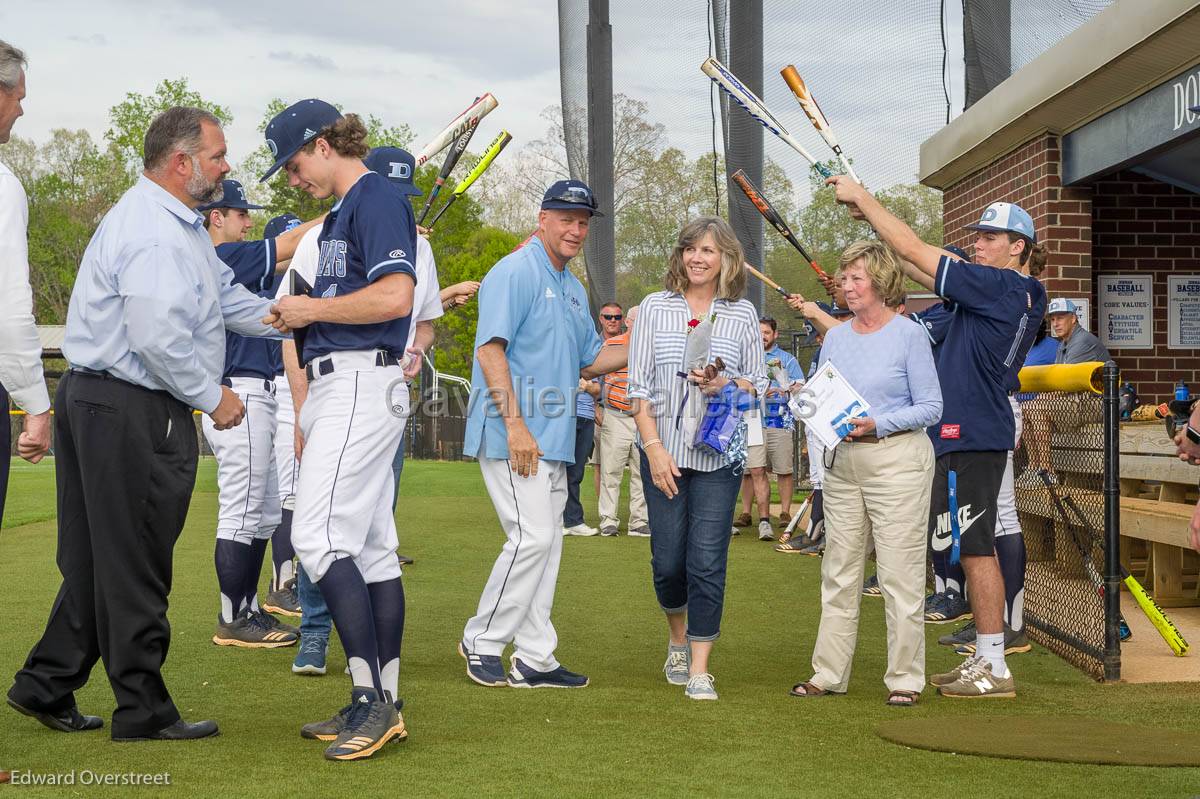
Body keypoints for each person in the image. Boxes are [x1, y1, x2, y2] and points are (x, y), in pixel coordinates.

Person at [8, 106, 285, 741]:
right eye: (217, 155)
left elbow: (226, 297)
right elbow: (159, 339)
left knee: (96, 558)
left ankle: (46, 683)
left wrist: (291, 314)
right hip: (131, 406)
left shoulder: (176, 225)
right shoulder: (157, 232)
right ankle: (143, 710)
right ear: (182, 162)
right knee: (136, 559)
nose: (226, 165)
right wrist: (212, 398)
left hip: (100, 400)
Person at [826, 181, 1046, 699]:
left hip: (976, 432)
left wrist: (866, 199)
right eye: (979, 236)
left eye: (992, 237)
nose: (980, 243)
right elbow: (918, 264)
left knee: (976, 547)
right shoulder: (992, 288)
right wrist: (871, 217)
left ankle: (994, 663)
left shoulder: (1008, 287)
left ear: (1018, 247)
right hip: (959, 432)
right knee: (967, 548)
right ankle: (987, 658)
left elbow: (912, 251)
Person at [263, 99, 414, 760]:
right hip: (340, 382)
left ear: (322, 144)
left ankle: (371, 702)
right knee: (373, 548)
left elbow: (395, 297)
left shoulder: (374, 197)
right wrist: (300, 317)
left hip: (358, 378)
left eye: (294, 163)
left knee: (316, 535)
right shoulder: (346, 211)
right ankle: (383, 698)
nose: (294, 179)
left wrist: (309, 308)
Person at [459, 179, 626, 690]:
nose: (575, 229)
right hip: (514, 433)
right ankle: (482, 639)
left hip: (551, 436)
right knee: (532, 538)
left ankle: (534, 656)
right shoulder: (515, 270)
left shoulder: (573, 287)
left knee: (547, 545)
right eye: (566, 218)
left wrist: (650, 342)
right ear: (543, 218)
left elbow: (593, 360)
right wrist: (514, 426)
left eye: (583, 222)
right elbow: (490, 350)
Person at [789, 241, 941, 705]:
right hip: (842, 465)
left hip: (897, 462)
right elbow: (825, 393)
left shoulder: (910, 335)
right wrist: (804, 396)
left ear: (881, 281)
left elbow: (932, 407)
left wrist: (880, 423)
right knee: (838, 571)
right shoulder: (835, 336)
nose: (846, 286)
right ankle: (827, 674)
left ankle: (905, 680)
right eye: (844, 277)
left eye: (856, 278)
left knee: (900, 574)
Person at [629, 216, 767, 701]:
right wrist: (654, 448)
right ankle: (676, 638)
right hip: (662, 451)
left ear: (727, 258)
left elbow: (759, 385)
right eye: (691, 248)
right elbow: (637, 387)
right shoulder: (653, 307)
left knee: (707, 560)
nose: (698, 257)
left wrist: (725, 384)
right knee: (668, 561)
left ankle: (700, 667)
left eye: (709, 250)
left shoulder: (743, 314)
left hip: (718, 455)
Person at [198, 180, 319, 649]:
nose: (247, 222)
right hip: (236, 391)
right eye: (240, 214)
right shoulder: (219, 257)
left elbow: (292, 258)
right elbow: (288, 245)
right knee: (242, 510)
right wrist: (354, 209)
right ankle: (233, 617)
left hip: (256, 392)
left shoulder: (232, 259)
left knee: (265, 510)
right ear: (216, 217)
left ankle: (247, 608)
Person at [0, 40, 52, 509]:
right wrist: (36, 405)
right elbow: (8, 306)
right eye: (17, 97)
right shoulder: (2, 185)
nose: (19, 110)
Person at [1017, 298, 1110, 487]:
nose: (1056, 323)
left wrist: (1041, 398)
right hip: (1076, 402)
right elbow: (1056, 384)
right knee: (1026, 408)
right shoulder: (1062, 344)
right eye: (1052, 319)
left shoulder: (1082, 340)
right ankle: (1035, 468)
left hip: (1098, 404)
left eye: (1061, 318)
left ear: (1073, 318)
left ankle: (1047, 471)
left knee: (1035, 407)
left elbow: (1064, 385)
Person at [596, 303, 650, 537]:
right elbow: (596, 378)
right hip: (616, 414)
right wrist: (597, 406)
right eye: (636, 321)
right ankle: (608, 519)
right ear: (628, 322)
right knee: (611, 471)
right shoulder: (611, 344)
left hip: (643, 418)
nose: (641, 325)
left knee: (642, 472)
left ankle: (639, 522)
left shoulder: (651, 347)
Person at [757, 317, 806, 539]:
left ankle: (785, 512)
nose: (762, 336)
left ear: (775, 334)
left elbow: (801, 385)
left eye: (766, 332)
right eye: (759, 332)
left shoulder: (787, 359)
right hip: (753, 420)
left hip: (780, 420)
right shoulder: (749, 358)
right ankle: (756, 516)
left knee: (784, 469)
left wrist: (784, 390)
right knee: (754, 471)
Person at [563, 375, 601, 536]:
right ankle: (554, 521)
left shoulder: (591, 362)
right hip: (564, 416)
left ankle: (573, 521)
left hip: (587, 418)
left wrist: (587, 387)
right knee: (559, 471)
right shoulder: (563, 355)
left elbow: (597, 390)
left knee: (575, 473)